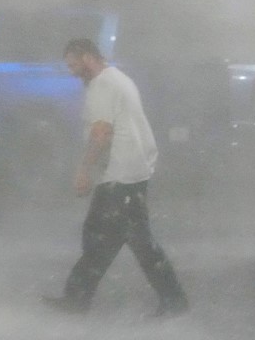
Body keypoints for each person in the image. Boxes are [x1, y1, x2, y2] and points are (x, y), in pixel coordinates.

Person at [47, 37, 189, 317]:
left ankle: (172, 301)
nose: (73, 72)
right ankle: (78, 298)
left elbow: (101, 133)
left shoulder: (102, 85)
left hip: (119, 176)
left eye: (74, 65)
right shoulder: (120, 79)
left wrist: (83, 170)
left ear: (88, 57)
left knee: (127, 241)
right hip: (132, 172)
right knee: (109, 238)